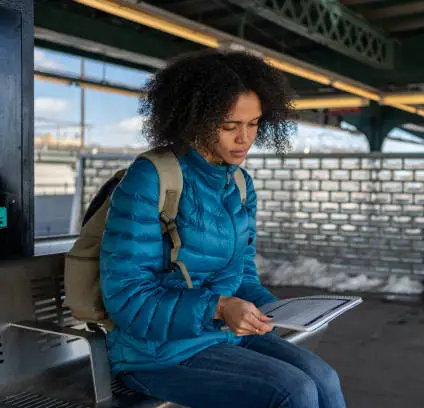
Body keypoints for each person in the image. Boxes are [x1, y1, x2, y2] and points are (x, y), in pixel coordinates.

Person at [99, 50, 346, 408]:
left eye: (254, 124)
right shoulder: (152, 179)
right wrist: (217, 307)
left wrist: (269, 310)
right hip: (155, 354)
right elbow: (127, 298)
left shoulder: (240, 185)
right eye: (230, 126)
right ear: (195, 119)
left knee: (324, 378)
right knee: (293, 392)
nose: (244, 138)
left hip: (222, 336)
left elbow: (241, 271)